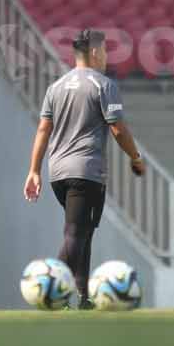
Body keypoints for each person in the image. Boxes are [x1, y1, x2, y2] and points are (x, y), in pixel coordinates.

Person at [23, 30, 145, 308]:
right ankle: (46, 288)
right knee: (76, 233)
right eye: (104, 52)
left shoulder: (56, 87)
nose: (105, 57)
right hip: (86, 170)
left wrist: (34, 171)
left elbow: (44, 129)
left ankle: (81, 295)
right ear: (94, 53)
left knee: (83, 231)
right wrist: (135, 156)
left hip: (58, 173)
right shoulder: (104, 85)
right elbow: (117, 127)